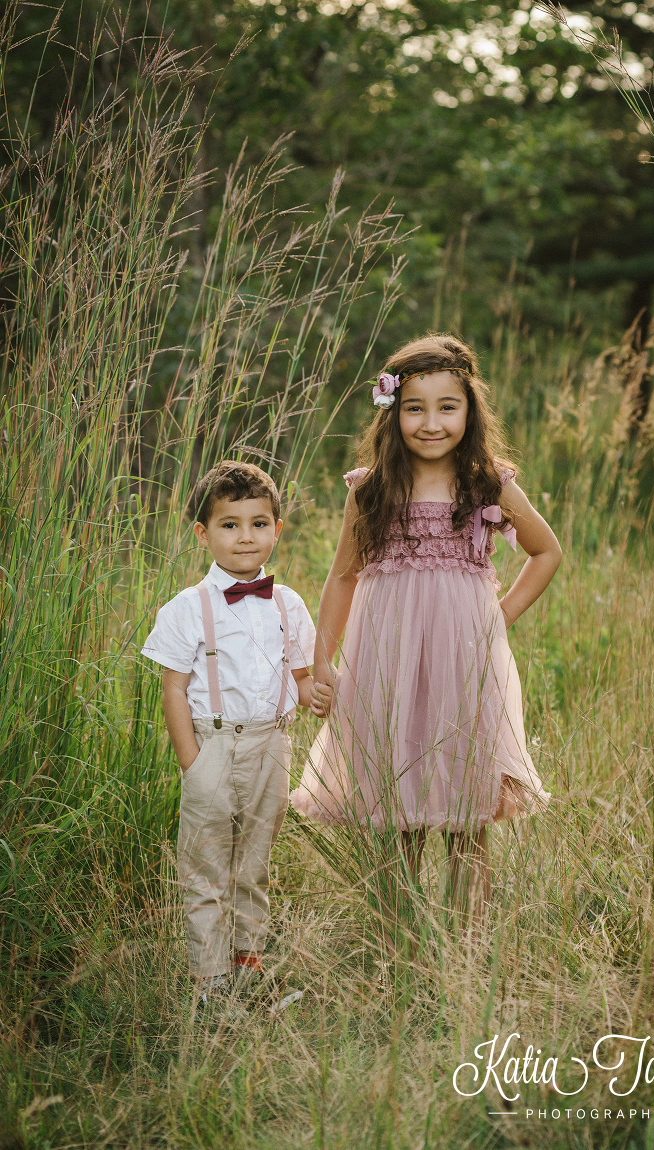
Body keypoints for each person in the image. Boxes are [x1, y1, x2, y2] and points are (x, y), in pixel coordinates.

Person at [290, 334, 560, 914]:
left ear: (469, 410)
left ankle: (467, 947)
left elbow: (546, 552)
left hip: (464, 658)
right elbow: (342, 578)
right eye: (414, 407)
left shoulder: (488, 482)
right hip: (387, 657)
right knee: (398, 804)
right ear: (393, 413)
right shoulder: (371, 489)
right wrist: (322, 659)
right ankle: (399, 939)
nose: (431, 422)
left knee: (466, 810)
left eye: (447, 406)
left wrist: (498, 618)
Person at [142, 460, 315, 1006]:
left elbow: (304, 677)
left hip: (274, 746)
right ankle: (209, 984)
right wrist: (192, 762)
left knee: (254, 864)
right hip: (213, 747)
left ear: (277, 529)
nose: (246, 536)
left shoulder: (289, 604)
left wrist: (325, 697)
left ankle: (248, 967)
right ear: (203, 533)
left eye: (259, 523)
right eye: (230, 524)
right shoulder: (186, 609)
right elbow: (173, 690)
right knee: (207, 866)